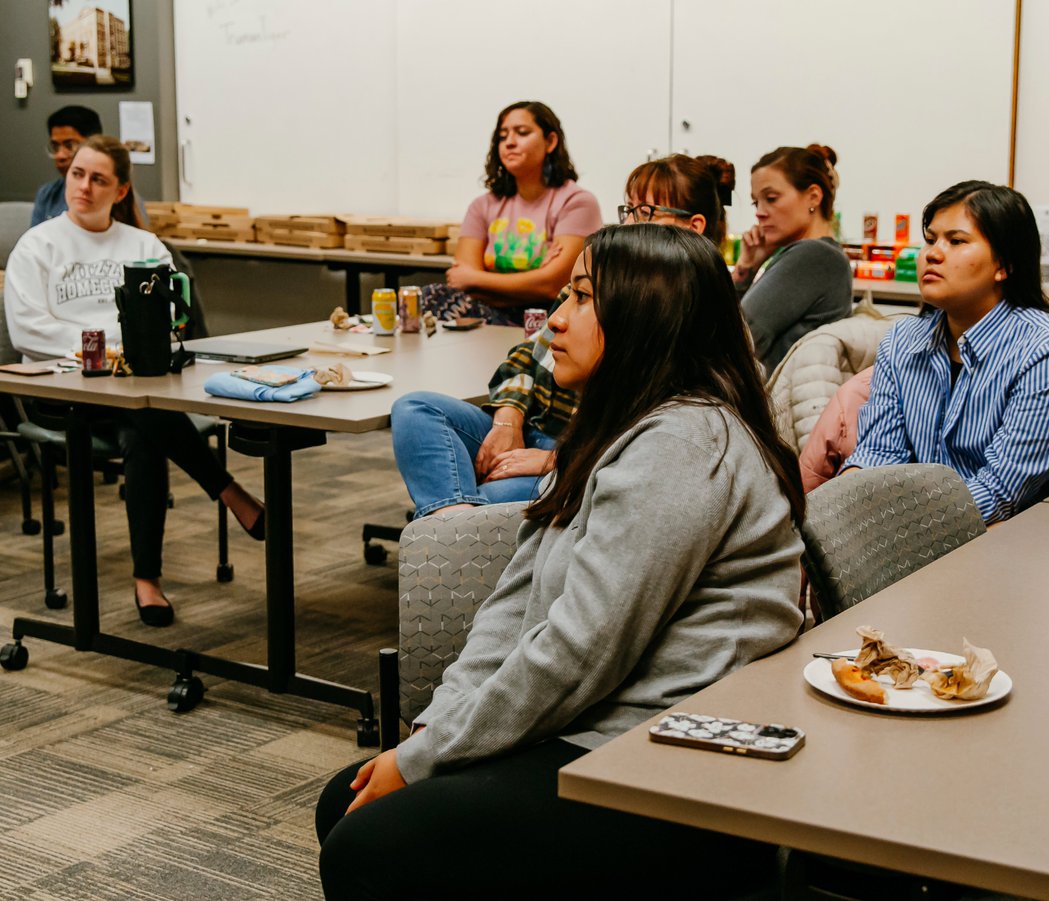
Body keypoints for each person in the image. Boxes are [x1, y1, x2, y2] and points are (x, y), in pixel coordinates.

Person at [317, 224, 806, 900]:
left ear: (645, 318)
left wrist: (431, 755)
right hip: (602, 723)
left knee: (366, 844)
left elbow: (582, 652)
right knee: (347, 803)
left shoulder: (682, 444)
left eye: (581, 297)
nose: (555, 320)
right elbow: (514, 602)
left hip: (678, 764)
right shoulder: (616, 426)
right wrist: (437, 726)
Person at [5, 135, 265, 626]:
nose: (83, 186)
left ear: (121, 190)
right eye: (77, 174)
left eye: (98, 179)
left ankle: (149, 578)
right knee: (144, 415)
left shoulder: (143, 247)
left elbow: (168, 326)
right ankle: (228, 493)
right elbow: (28, 332)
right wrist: (110, 345)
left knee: (140, 427)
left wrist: (126, 349)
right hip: (61, 390)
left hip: (134, 387)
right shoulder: (37, 245)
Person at [392, 153, 735, 518]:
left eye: (646, 211)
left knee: (489, 497)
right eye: (628, 209)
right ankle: (455, 524)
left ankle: (452, 525)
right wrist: (509, 420)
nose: (631, 222)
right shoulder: (600, 277)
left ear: (693, 226)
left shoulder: (682, 314)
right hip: (536, 426)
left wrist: (556, 458)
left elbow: (648, 438)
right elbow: (526, 358)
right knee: (415, 409)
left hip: (583, 452)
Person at [844, 180, 1049, 524]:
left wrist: (890, 529)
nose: (932, 254)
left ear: (1003, 265)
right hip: (940, 529)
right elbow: (877, 456)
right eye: (930, 239)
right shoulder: (902, 340)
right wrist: (839, 515)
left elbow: (998, 494)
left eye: (956, 241)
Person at [423, 100, 603, 326]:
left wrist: (478, 279)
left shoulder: (577, 202)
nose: (509, 142)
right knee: (431, 294)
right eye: (502, 136)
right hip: (489, 314)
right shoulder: (482, 206)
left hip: (549, 318)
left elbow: (552, 287)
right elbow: (464, 283)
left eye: (522, 133)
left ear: (550, 141)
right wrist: (534, 279)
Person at [735, 145, 853, 374]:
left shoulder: (814, 256)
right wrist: (748, 266)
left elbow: (735, 338)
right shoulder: (825, 254)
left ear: (813, 197)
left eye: (771, 198)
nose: (759, 212)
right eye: (755, 202)